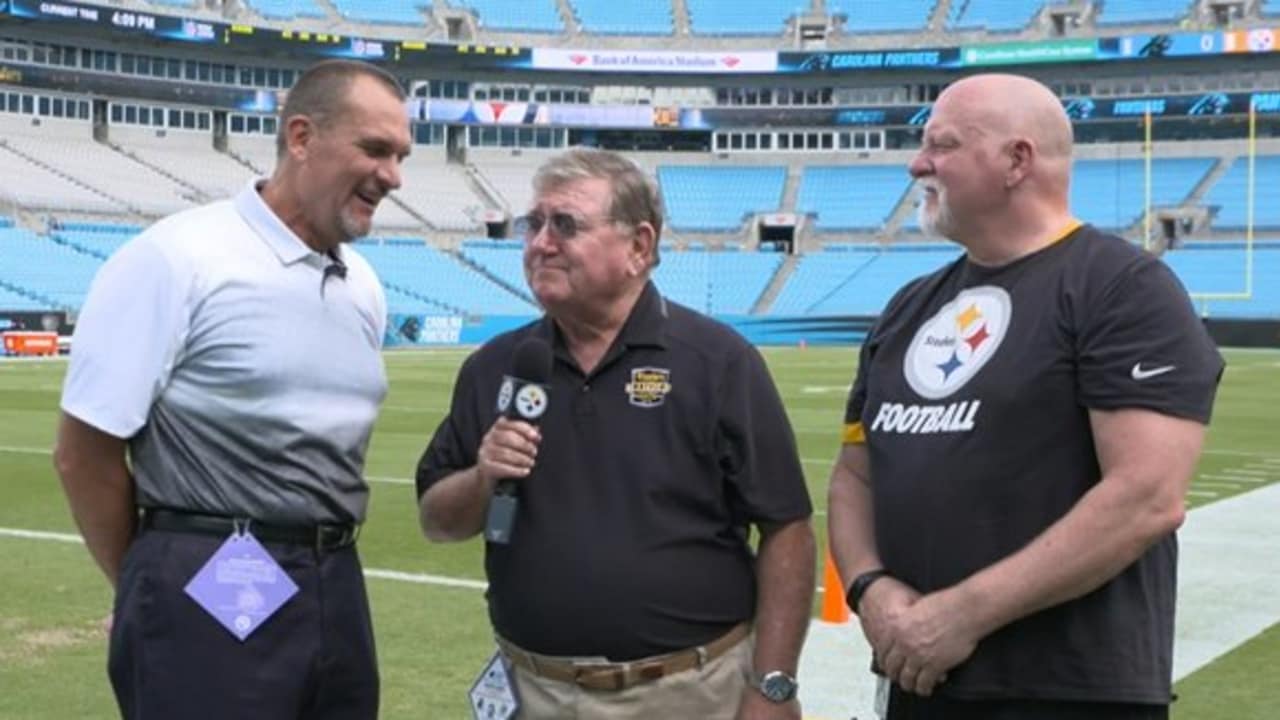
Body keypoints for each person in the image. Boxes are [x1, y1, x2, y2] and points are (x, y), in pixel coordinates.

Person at [827, 73, 1224, 720]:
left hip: (1065, 692)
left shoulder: (1121, 288)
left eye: (942, 144)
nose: (916, 163)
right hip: (917, 680)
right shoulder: (909, 307)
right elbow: (854, 477)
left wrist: (960, 616)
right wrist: (871, 592)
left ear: (1017, 160)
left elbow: (1147, 498)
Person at [53, 59, 411, 719]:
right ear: (301, 138)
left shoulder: (363, 285)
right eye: (374, 149)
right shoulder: (177, 258)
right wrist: (153, 582)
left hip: (337, 579)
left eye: (401, 156)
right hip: (211, 570)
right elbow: (84, 453)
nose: (393, 175)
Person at [416, 148, 815, 720]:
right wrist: (483, 476)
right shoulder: (494, 366)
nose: (540, 243)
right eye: (534, 224)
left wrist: (773, 684)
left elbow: (788, 530)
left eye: (566, 225)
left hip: (687, 692)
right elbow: (436, 521)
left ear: (639, 247)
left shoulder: (718, 362)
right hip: (533, 691)